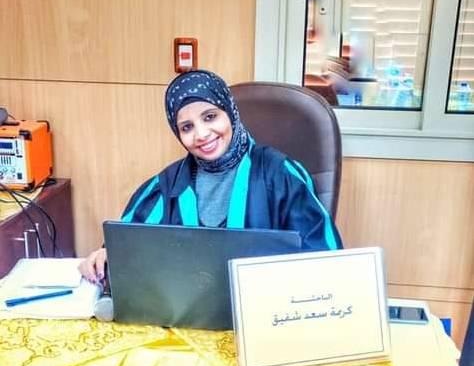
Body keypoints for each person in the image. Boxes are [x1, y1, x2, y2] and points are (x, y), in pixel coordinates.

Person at [79, 69, 343, 283]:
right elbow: (126, 245)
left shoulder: (281, 175)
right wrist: (105, 256)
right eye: (187, 127)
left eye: (210, 117)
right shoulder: (166, 187)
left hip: (263, 315)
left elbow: (325, 259)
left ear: (230, 113)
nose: (202, 134)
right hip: (183, 320)